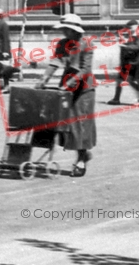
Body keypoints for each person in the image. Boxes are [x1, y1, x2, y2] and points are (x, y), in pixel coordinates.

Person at [36, 14, 96, 177]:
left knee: (79, 125)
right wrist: (44, 78)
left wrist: (68, 84)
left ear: (74, 29)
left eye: (66, 29)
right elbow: (56, 62)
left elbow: (85, 69)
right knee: (64, 125)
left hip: (83, 89)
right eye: (63, 29)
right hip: (66, 87)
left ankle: (81, 159)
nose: (64, 32)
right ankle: (83, 153)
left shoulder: (87, 44)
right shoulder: (62, 43)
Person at [107, 20, 139, 105]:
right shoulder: (132, 36)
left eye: (131, 27)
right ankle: (116, 99)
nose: (129, 29)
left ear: (137, 26)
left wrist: (125, 46)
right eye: (128, 28)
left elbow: (137, 47)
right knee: (121, 79)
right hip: (132, 62)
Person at [0, 8, 17, 94]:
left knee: (4, 69)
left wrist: (5, 51)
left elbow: (6, 39)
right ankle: (1, 86)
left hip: (2, 50)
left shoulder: (3, 24)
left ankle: (6, 86)